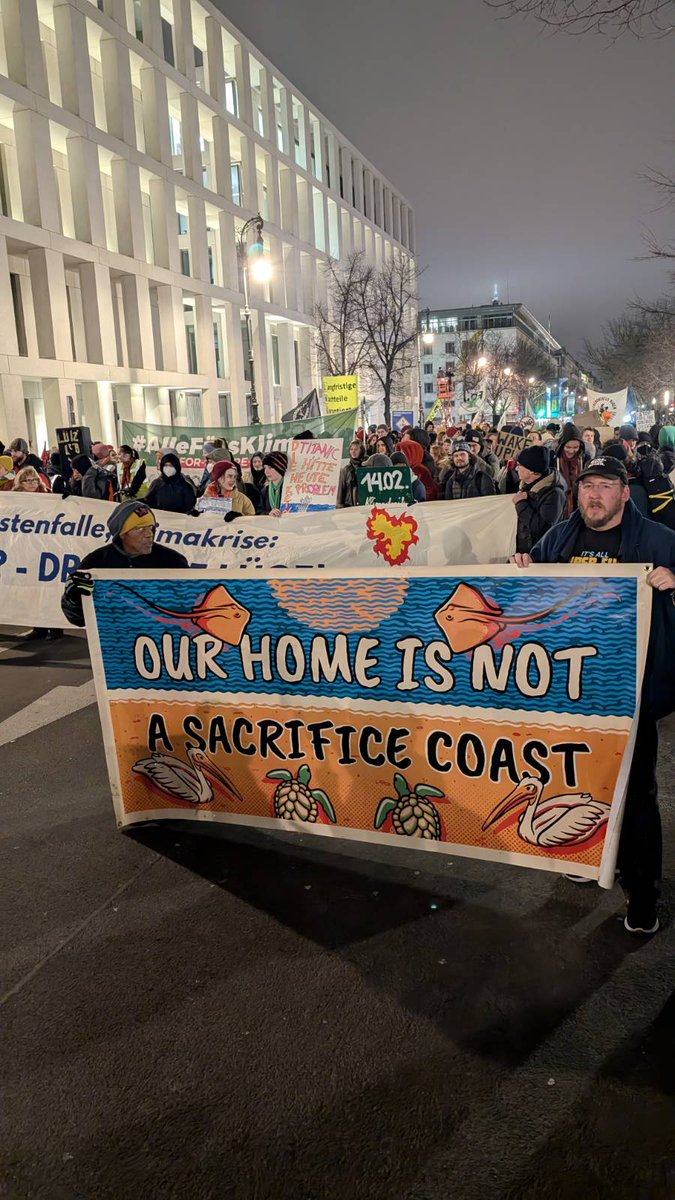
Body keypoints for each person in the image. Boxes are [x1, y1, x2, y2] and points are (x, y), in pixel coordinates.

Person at [513, 456, 675, 935]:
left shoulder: (661, 541)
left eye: (606, 487)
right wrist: (521, 568)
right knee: (577, 785)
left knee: (637, 792)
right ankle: (586, 857)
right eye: (588, 487)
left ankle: (642, 892)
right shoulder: (558, 537)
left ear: (625, 493)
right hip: (572, 694)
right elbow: (528, 597)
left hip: (632, 693)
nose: (595, 496)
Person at [61, 499, 188, 627]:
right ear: (122, 534)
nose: (149, 534)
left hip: (161, 640)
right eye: (140, 528)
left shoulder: (173, 561)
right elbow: (77, 619)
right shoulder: (95, 563)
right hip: (115, 641)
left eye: (151, 527)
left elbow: (190, 609)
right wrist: (72, 599)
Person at [512, 443, 566, 554]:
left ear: (531, 471)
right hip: (524, 550)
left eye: (519, 465)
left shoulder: (554, 494)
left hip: (539, 555)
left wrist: (521, 504)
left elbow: (544, 528)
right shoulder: (525, 486)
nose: (516, 468)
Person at [555, 423, 589, 516]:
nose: (571, 451)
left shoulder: (585, 458)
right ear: (562, 446)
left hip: (579, 503)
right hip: (559, 504)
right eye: (568, 447)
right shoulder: (554, 458)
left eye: (575, 447)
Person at [337, 439, 366, 508]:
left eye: (356, 449)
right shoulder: (345, 470)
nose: (353, 451)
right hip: (349, 507)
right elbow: (341, 492)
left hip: (364, 506)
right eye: (351, 449)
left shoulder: (366, 467)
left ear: (361, 451)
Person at [261, 451, 288, 516]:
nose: (266, 471)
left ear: (280, 467)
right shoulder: (265, 491)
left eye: (270, 467)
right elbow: (259, 511)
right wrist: (268, 513)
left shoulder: (289, 489)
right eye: (265, 468)